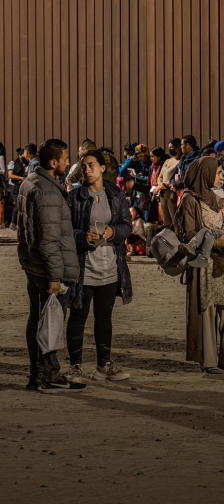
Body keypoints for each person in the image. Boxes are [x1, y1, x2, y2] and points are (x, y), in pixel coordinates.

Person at [17, 138, 85, 391]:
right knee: (50, 322)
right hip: (47, 269)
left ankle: (37, 375)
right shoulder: (46, 191)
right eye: (66, 159)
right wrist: (55, 277)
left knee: (37, 319)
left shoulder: (31, 182)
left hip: (32, 265)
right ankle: (49, 376)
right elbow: (48, 239)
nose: (69, 163)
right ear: (53, 162)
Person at [66, 149, 133, 382]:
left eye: (91, 165)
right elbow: (65, 232)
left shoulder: (115, 194)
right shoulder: (75, 197)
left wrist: (113, 231)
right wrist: (82, 236)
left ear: (103, 168)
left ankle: (104, 365)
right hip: (83, 268)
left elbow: (127, 225)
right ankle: (75, 367)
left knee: (104, 318)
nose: (86, 169)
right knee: (77, 317)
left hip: (110, 268)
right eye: (83, 166)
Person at [174, 156, 224, 373]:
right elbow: (188, 236)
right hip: (203, 263)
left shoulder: (215, 198)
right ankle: (209, 360)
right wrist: (215, 241)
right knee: (206, 310)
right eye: (217, 173)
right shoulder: (189, 199)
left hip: (223, 262)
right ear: (204, 174)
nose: (221, 176)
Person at [157, 139, 182, 226]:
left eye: (172, 148)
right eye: (169, 148)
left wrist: (165, 184)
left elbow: (178, 177)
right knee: (166, 222)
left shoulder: (181, 161)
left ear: (179, 148)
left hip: (172, 193)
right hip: (162, 193)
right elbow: (160, 176)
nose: (171, 150)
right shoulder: (167, 161)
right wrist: (160, 184)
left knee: (175, 222)